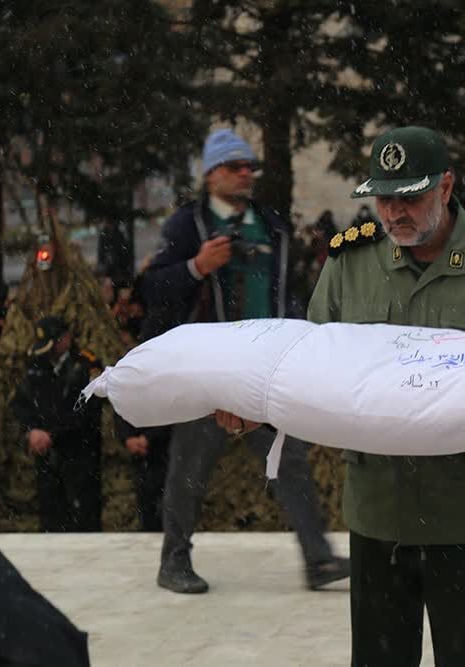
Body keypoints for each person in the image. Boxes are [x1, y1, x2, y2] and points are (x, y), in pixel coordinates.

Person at [217, 126, 465, 666]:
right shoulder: (351, 264)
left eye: (411, 197)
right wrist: (258, 410)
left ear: (446, 187)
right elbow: (310, 368)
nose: (394, 212)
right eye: (384, 199)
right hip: (379, 511)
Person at [141, 129, 347, 593]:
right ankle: (174, 561)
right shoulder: (185, 227)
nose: (245, 175)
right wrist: (198, 266)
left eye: (249, 167)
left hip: (264, 367)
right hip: (208, 368)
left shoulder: (271, 225)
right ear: (212, 173)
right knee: (190, 468)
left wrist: (301, 337)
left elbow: (285, 291)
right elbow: (152, 290)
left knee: (289, 460)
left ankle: (318, 559)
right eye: (234, 167)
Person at [11, 316, 104, 532]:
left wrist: (53, 434)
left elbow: (87, 413)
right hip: (46, 455)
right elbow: (22, 401)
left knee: (84, 517)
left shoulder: (85, 365)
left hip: (79, 453)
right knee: (51, 517)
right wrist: (32, 430)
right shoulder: (38, 363)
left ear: (65, 339)